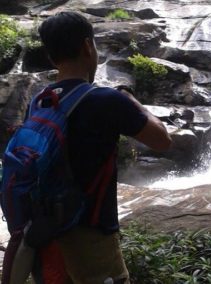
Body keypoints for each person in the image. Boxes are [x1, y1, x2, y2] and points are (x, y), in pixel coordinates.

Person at [28, 11, 171, 284]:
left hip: (46, 231)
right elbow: (162, 140)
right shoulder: (106, 100)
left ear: (50, 55)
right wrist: (130, 99)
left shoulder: (40, 101)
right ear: (87, 46)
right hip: (90, 233)